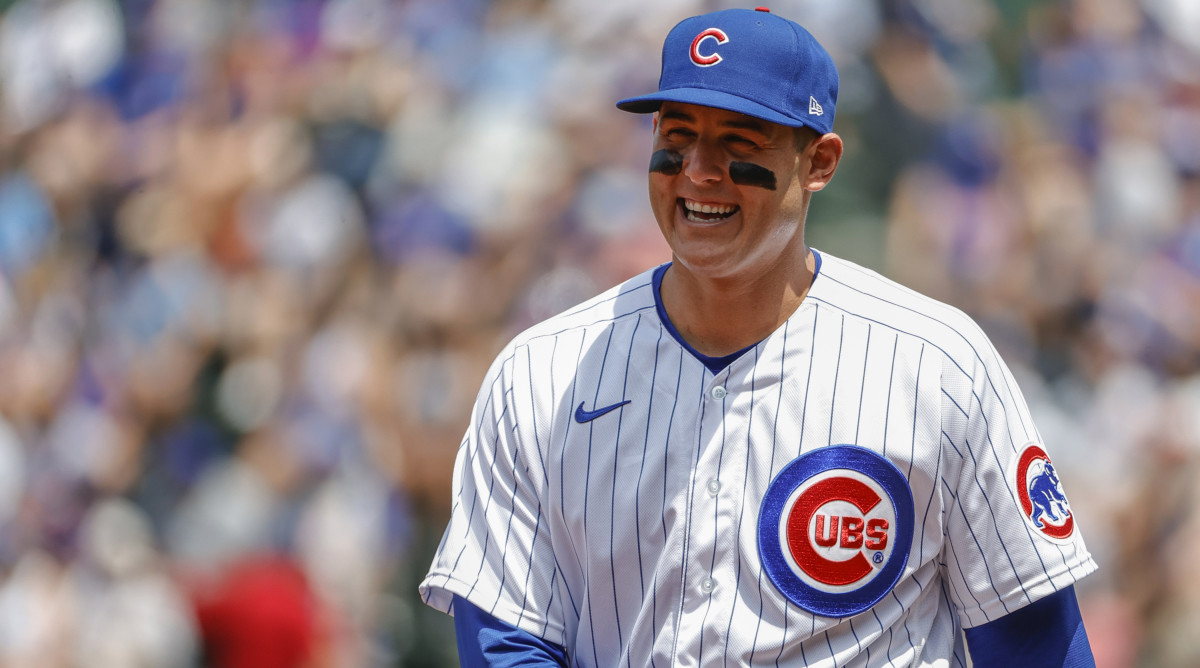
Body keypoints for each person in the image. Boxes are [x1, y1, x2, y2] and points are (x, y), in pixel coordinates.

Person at [420, 7, 1097, 666]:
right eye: (677, 137)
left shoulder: (938, 364)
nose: (698, 171)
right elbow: (507, 637)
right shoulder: (541, 372)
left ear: (820, 162)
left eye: (738, 143)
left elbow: (1033, 636)